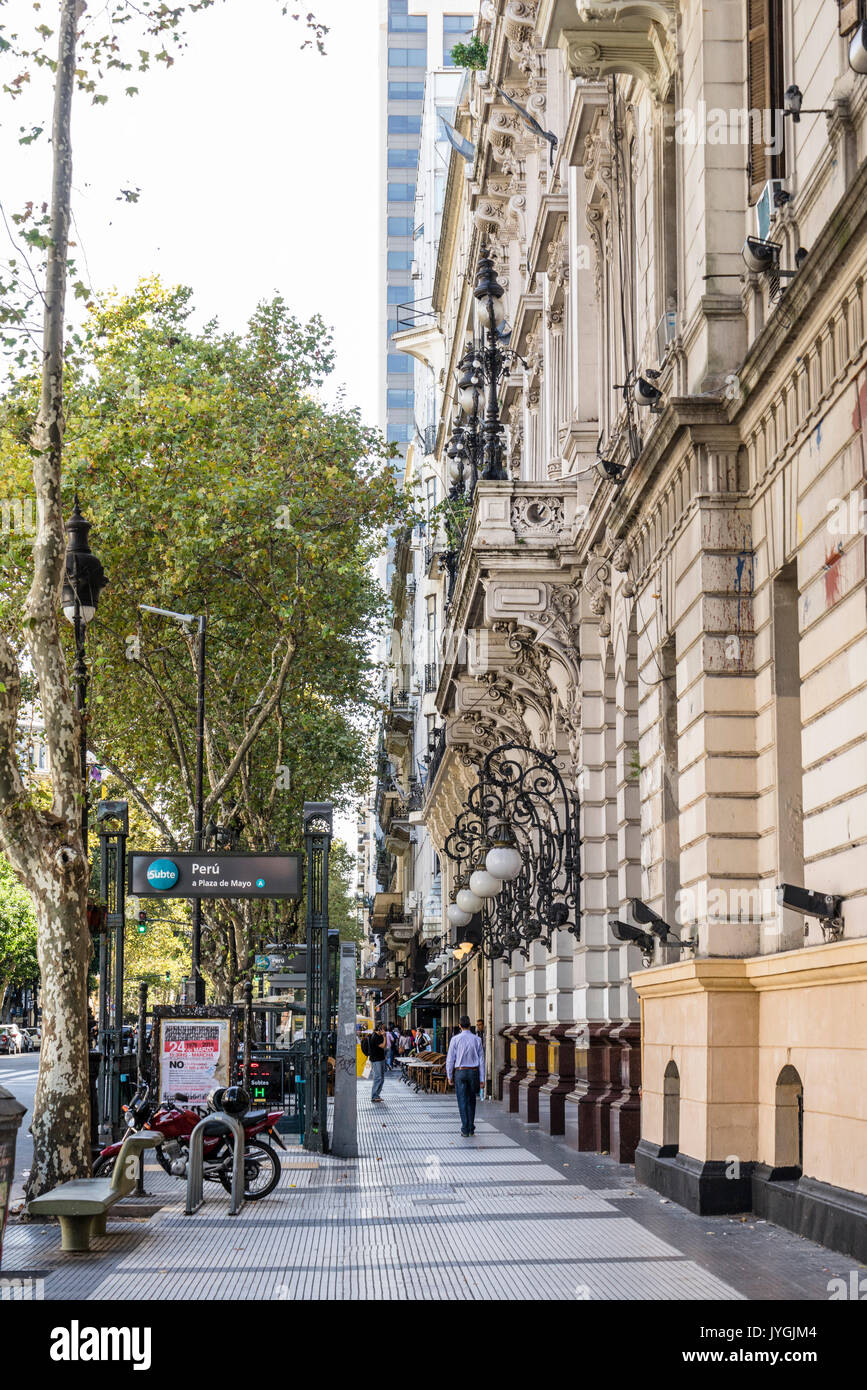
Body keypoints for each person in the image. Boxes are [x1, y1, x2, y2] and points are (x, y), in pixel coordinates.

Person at [445, 1015, 486, 1137]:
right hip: (473, 1072)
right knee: (471, 1100)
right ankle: (471, 1127)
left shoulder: (455, 1039)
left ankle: (465, 1128)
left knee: (462, 1100)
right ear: (470, 1025)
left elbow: (450, 1059)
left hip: (460, 1072)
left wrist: (449, 1075)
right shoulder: (477, 1039)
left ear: (459, 1026)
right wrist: (482, 1079)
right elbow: (482, 1060)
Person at [368, 1024, 387, 1103]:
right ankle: (374, 1096)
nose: (384, 1030)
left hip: (380, 1059)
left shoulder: (378, 1036)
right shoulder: (375, 1036)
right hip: (376, 1060)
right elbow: (383, 1046)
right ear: (379, 1029)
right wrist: (385, 1037)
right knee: (378, 1078)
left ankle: (377, 1095)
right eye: (383, 1028)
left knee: (381, 1078)